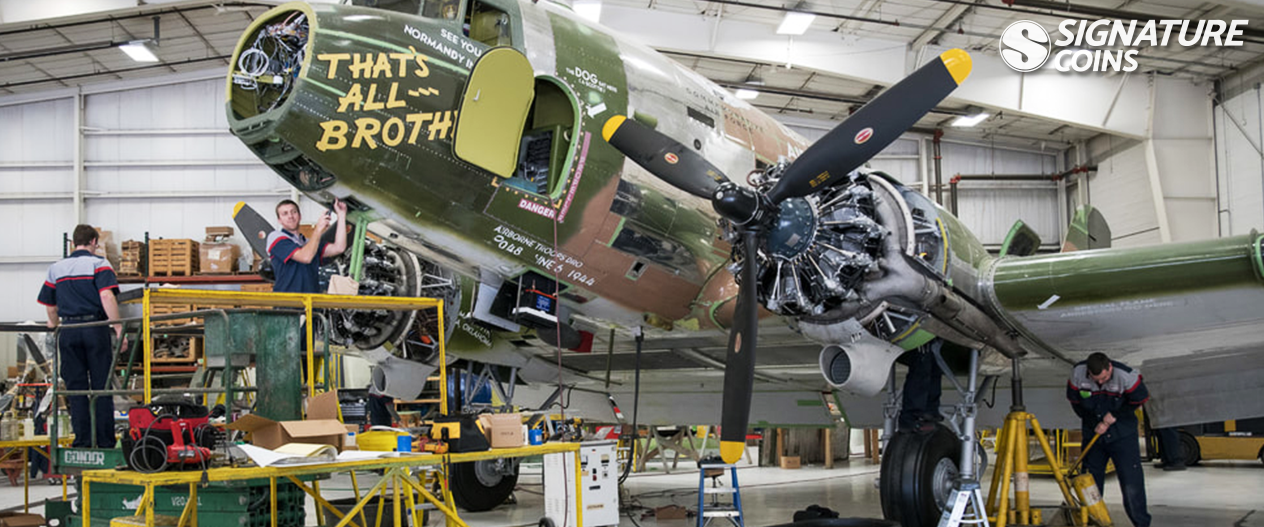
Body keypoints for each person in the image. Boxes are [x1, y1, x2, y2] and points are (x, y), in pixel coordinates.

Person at [37, 225, 123, 449]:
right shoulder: (99, 264)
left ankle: (82, 441)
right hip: (94, 328)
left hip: (68, 330)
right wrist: (118, 328)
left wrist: (54, 325)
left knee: (76, 388)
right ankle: (104, 442)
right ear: (93, 241)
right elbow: (107, 296)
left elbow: (51, 308)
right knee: (101, 386)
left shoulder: (56, 268)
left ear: (74, 243)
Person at [1067, 352, 1151, 527]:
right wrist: (1092, 422)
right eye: (1096, 379)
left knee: (1131, 482)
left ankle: (1141, 523)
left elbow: (1140, 399)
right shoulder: (1078, 373)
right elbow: (1074, 401)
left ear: (1110, 367)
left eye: (1104, 378)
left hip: (1122, 435)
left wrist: (1114, 415)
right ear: (1089, 372)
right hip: (1093, 435)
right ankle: (1092, 521)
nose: (1100, 382)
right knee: (1089, 482)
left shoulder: (1126, 376)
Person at [266, 198, 348, 294]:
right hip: (288, 301)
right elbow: (305, 257)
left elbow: (339, 248)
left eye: (294, 212)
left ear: (300, 216)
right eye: (285, 214)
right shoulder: (276, 238)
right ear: (279, 220)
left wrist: (341, 215)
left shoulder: (309, 243)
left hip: (311, 300)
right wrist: (318, 229)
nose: (290, 216)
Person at [899, 338, 944, 434]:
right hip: (920, 336)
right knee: (921, 368)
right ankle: (910, 418)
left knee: (934, 366)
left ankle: (930, 410)